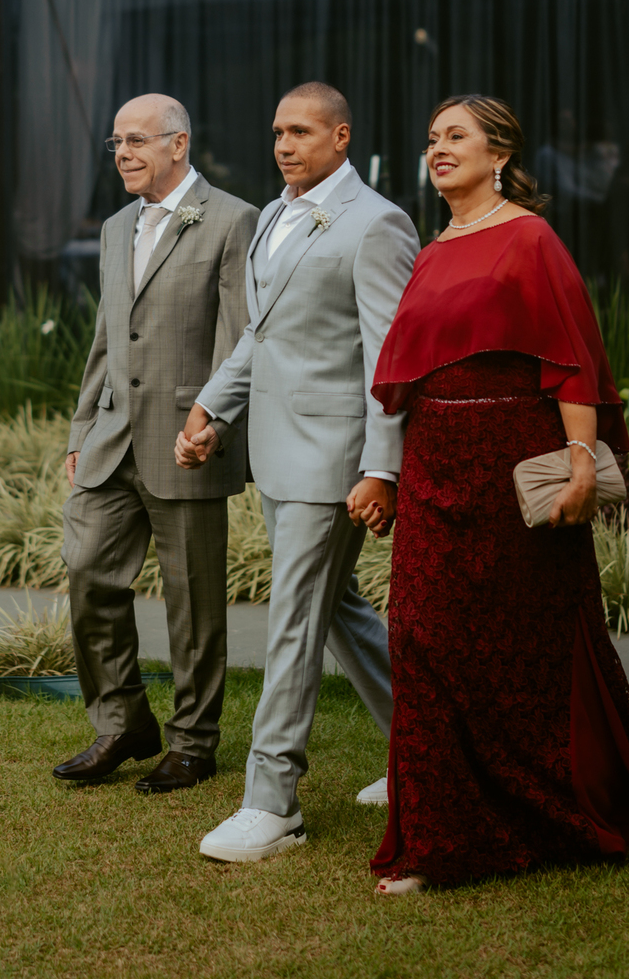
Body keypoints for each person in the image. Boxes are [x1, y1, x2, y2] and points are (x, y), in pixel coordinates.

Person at [367, 93, 629, 894]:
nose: (439, 148)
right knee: (419, 639)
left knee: (533, 649)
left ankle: (572, 808)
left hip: (514, 463)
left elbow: (570, 360)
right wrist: (386, 475)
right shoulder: (431, 252)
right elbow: (409, 382)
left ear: (500, 154)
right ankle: (439, 839)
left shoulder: (531, 239)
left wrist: (581, 458)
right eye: (432, 138)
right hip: (435, 463)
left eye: (457, 136)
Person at [176, 81, 419, 862]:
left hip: (333, 462)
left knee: (292, 622)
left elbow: (390, 359)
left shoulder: (376, 223)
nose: (284, 145)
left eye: (302, 132)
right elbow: (262, 336)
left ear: (341, 137)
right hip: (278, 455)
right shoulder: (274, 216)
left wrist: (382, 468)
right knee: (336, 609)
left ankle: (271, 803)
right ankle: (426, 753)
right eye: (278, 131)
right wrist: (213, 409)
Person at [55, 93, 258, 793]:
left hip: (187, 439)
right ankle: (123, 723)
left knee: (192, 603)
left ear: (178, 143)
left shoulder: (233, 220)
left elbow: (240, 339)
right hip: (111, 438)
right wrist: (83, 428)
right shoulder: (116, 227)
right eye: (116, 142)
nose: (123, 154)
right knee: (87, 571)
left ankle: (194, 743)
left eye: (137, 140)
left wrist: (216, 424)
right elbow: (107, 338)